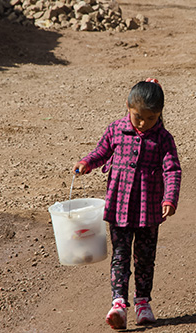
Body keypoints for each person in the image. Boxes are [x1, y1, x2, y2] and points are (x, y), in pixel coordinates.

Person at [72, 78, 182, 330]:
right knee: (120, 256)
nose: (143, 123)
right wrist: (87, 162)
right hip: (119, 207)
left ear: (160, 114)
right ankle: (118, 304)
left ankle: (143, 303)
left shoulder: (164, 139)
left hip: (149, 210)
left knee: (145, 258)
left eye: (151, 118)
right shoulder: (116, 129)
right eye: (138, 117)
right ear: (127, 107)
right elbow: (101, 151)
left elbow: (172, 170)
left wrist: (170, 198)